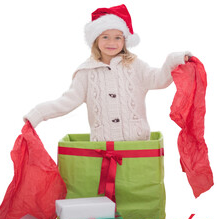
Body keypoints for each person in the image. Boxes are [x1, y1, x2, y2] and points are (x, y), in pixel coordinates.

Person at [24, 4, 190, 142]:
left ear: (125, 40)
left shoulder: (135, 66)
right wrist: (38, 114)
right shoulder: (86, 72)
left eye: (118, 37)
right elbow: (66, 102)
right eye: (105, 37)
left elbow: (159, 79)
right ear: (96, 40)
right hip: (103, 149)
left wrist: (173, 60)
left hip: (137, 147)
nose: (112, 42)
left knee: (137, 182)